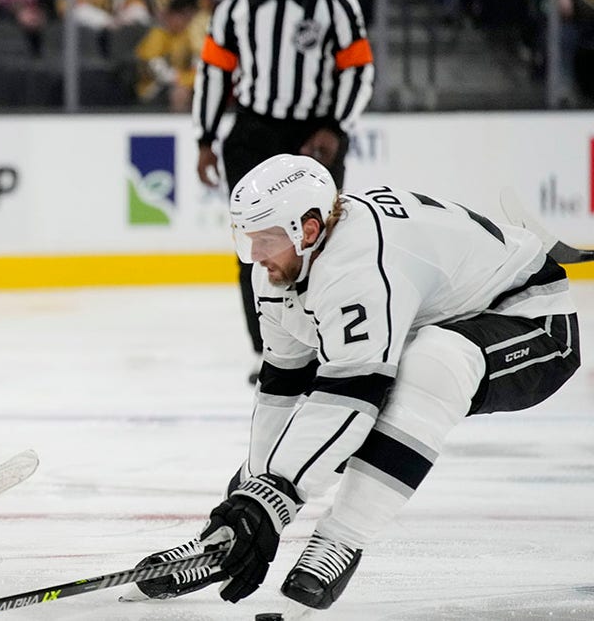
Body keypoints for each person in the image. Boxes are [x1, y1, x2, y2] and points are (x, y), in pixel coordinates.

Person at [132, 154, 581, 614]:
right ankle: (221, 542)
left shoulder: (358, 263)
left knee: (432, 365)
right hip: (435, 318)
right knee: (354, 399)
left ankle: (341, 540)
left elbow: (353, 397)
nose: (256, 257)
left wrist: (272, 502)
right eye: (248, 242)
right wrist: (246, 508)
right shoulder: (281, 266)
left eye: (265, 240)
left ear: (307, 230)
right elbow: (282, 391)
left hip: (531, 318)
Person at [192, 0, 375, 383]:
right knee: (257, 246)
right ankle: (268, 351)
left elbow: (358, 68)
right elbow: (214, 73)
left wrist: (335, 127)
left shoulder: (334, 0)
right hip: (254, 133)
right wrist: (205, 139)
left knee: (323, 241)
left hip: (315, 135)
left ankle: (326, 341)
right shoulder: (235, 3)